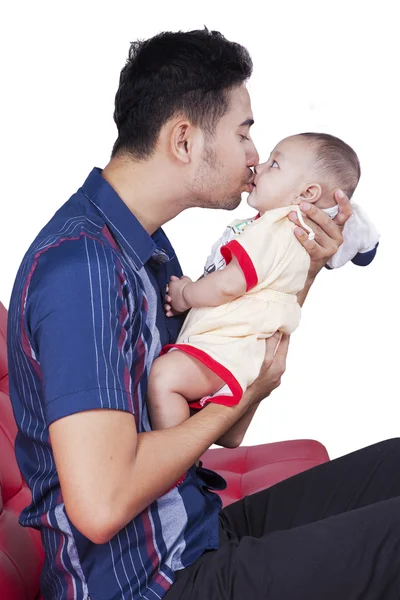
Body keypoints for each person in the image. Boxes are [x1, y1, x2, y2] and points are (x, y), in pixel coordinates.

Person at [7, 29, 398, 600]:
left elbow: (225, 422)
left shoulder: (148, 249)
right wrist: (241, 395)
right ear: (184, 140)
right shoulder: (83, 271)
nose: (253, 156)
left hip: (195, 531)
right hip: (151, 583)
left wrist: (303, 268)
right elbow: (100, 507)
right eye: (243, 132)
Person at [147, 131, 378, 429]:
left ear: (307, 194)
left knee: (164, 379)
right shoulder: (288, 231)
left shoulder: (277, 229)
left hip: (227, 348)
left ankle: (177, 472)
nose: (260, 165)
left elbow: (230, 284)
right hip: (234, 348)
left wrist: (186, 294)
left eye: (275, 164)